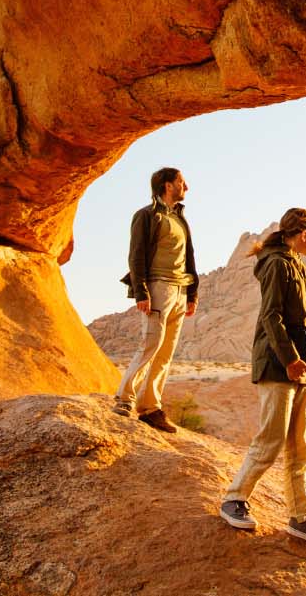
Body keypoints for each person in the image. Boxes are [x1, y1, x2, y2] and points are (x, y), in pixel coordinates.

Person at [217, 208, 306, 550]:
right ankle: (234, 498)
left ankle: (301, 517)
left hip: (298, 370)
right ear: (302, 232)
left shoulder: (295, 263)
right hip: (277, 367)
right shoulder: (276, 264)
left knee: (299, 448)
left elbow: (304, 325)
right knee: (271, 440)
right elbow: (271, 317)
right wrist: (289, 361)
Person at [113, 168, 199, 433]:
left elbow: (189, 257)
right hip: (158, 286)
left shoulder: (180, 218)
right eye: (182, 182)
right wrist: (141, 292)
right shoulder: (147, 216)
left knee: (165, 353)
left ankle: (150, 407)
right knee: (151, 343)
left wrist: (192, 293)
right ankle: (124, 399)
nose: (187, 187)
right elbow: (136, 256)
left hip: (180, 290)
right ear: (167, 185)